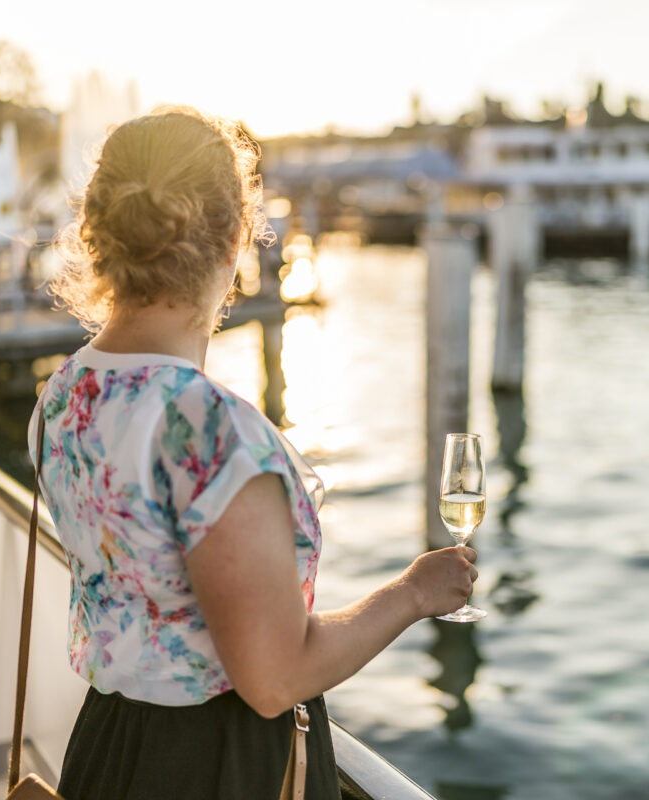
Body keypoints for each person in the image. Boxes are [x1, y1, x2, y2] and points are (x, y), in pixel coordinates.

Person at [27, 106, 478, 799]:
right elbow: (272, 681)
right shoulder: (211, 431)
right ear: (238, 238)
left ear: (102, 236)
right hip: (216, 768)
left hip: (108, 747)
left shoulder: (63, 395)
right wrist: (411, 593)